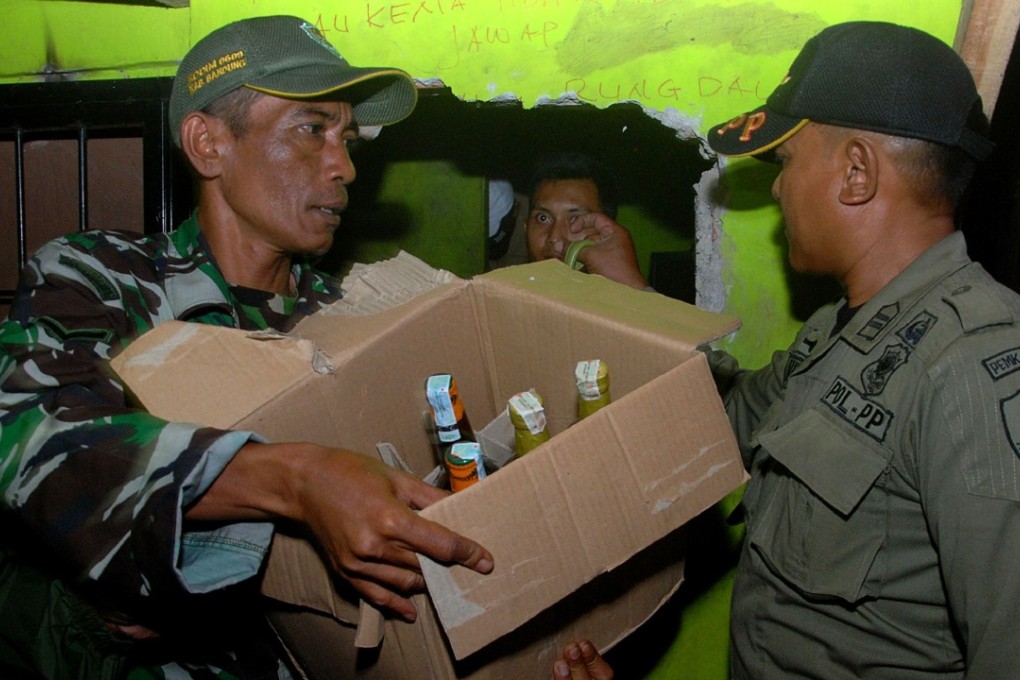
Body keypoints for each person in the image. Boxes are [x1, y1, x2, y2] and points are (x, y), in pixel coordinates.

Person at [0, 15, 500, 678]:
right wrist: (294, 480)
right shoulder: (99, 280)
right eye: (312, 129)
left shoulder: (359, 323)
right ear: (208, 144)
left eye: (348, 137)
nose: (345, 165)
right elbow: (32, 436)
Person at [561, 20, 1020, 680]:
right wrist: (632, 291)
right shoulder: (835, 333)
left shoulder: (976, 367)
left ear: (856, 172)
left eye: (785, 162)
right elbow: (714, 418)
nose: (777, 188)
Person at [522, 150, 650, 290]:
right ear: (526, 228)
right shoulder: (504, 301)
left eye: (575, 219)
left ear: (607, 235)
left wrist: (631, 284)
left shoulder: (619, 309)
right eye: (543, 218)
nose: (554, 237)